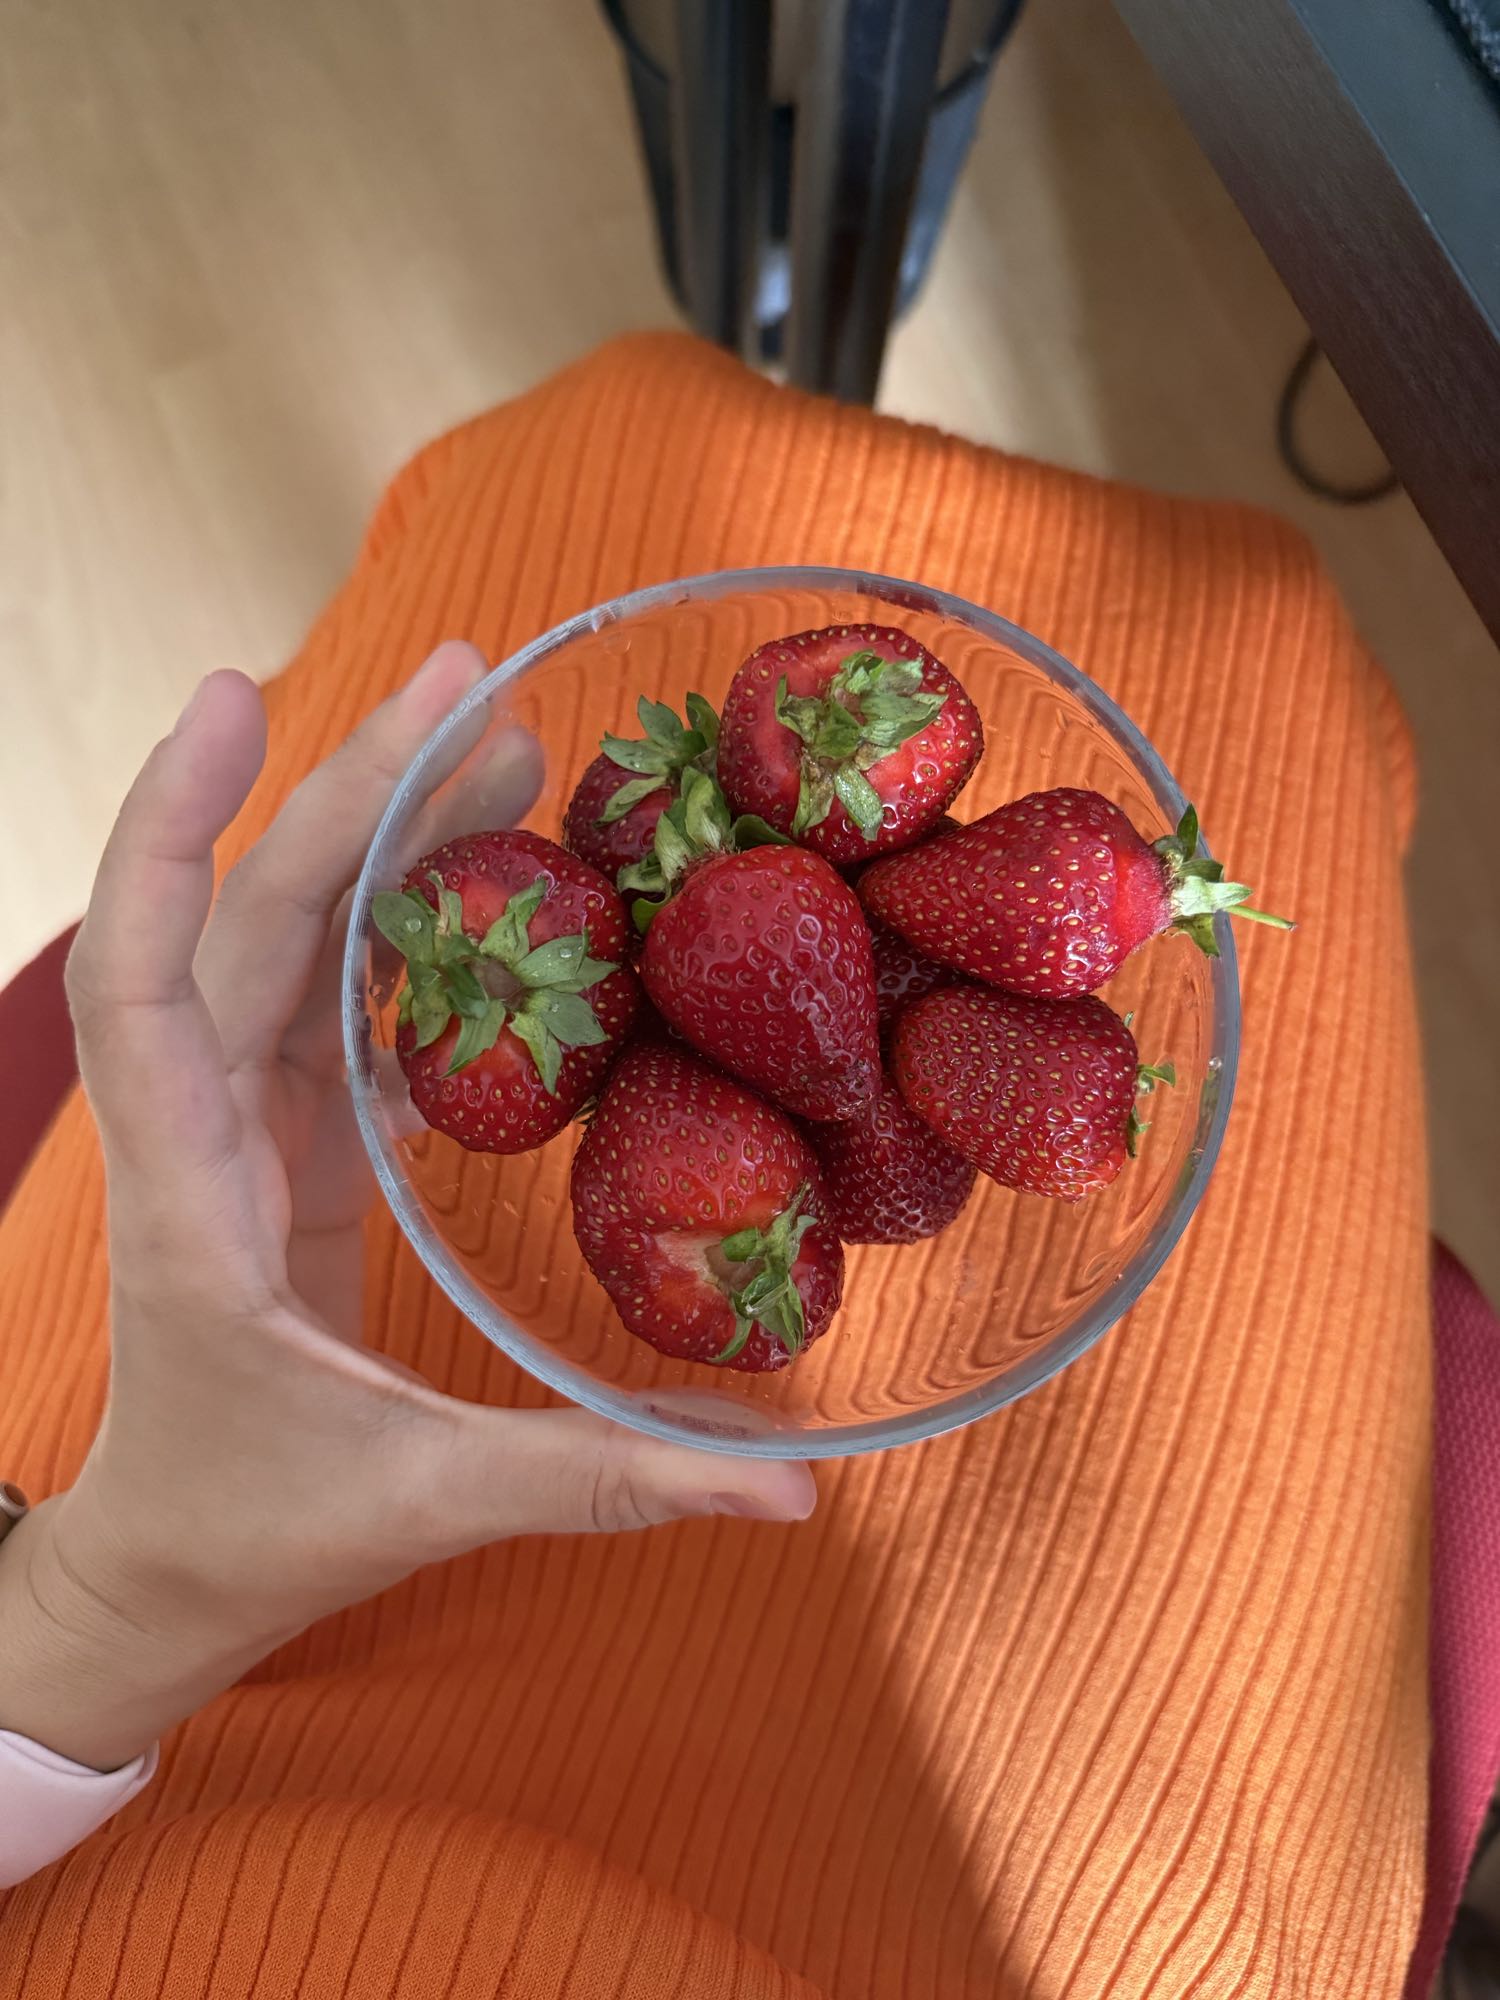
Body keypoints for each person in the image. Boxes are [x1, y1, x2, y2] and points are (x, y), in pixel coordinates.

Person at [0, 334, 1430, 1998]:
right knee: (1277, 632)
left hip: (95, 1642)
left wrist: (98, 1609)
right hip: (980, 1909)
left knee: (617, 418)